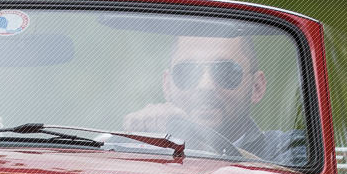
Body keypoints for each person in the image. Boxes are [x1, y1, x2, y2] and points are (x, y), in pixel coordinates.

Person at [122, 35, 305, 163]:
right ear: (168, 86)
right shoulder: (134, 149)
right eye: (186, 72)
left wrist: (195, 140)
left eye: (227, 71)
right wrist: (142, 137)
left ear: (256, 87)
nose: (206, 85)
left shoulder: (288, 149)